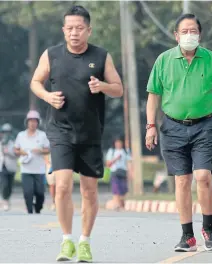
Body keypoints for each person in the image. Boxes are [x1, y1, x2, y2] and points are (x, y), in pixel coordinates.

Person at [30, 5, 123, 263]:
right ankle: (67, 240)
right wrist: (48, 96)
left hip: (91, 133)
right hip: (60, 131)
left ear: (88, 30)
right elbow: (35, 82)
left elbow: (118, 89)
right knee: (61, 187)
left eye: (79, 28)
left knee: (89, 192)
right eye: (69, 28)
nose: (74, 33)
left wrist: (102, 85)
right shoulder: (52, 55)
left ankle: (85, 242)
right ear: (63, 30)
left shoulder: (101, 56)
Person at [145, 13, 212, 252]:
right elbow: (153, 95)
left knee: (203, 176)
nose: (189, 35)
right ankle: (187, 236)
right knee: (182, 181)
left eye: (194, 31)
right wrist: (150, 126)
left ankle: (209, 227)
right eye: (185, 31)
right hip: (172, 127)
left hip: (204, 125)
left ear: (199, 34)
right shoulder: (164, 60)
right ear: (176, 35)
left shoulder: (211, 59)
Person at [14, 110, 50, 214]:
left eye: (35, 121)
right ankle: (29, 211)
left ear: (38, 123)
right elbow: (16, 150)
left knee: (40, 192)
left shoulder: (42, 135)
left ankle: (38, 208)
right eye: (31, 121)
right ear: (27, 122)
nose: (33, 123)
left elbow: (48, 149)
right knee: (27, 192)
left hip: (39, 169)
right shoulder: (21, 135)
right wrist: (22, 152)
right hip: (26, 169)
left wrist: (40, 150)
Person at [105, 136, 131, 210]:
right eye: (117, 142)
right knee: (116, 189)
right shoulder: (112, 151)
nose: (118, 144)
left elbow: (129, 163)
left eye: (120, 142)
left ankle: (122, 204)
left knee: (123, 190)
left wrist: (130, 173)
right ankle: (117, 205)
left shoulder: (126, 151)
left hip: (123, 172)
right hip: (114, 172)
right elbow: (108, 164)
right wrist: (116, 159)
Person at [0, 123, 18, 211]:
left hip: (10, 167)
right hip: (2, 167)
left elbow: (16, 154)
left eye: (8, 132)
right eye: (4, 132)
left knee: (9, 186)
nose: (5, 134)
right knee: (4, 184)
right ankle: (4, 200)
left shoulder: (13, 143)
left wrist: (8, 152)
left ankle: (7, 199)